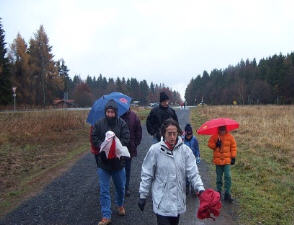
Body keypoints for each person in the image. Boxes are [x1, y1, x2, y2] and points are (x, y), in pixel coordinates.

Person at [138, 118, 205, 225]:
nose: (172, 137)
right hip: (161, 202)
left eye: (175, 133)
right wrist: (143, 195)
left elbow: (193, 172)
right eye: (169, 134)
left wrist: (200, 188)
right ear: (164, 133)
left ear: (178, 133)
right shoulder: (155, 150)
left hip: (178, 202)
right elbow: (147, 174)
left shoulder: (185, 151)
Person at [91, 99, 130, 225]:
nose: (110, 114)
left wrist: (116, 144)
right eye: (108, 112)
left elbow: (126, 137)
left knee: (120, 188)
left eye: (112, 112)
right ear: (105, 112)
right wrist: (103, 145)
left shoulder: (122, 123)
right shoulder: (99, 124)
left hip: (118, 164)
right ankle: (106, 215)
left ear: (116, 112)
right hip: (104, 163)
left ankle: (120, 205)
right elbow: (94, 137)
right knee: (104, 190)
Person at [208, 125, 237, 203]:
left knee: (228, 176)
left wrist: (233, 157)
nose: (222, 131)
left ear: (226, 129)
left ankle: (227, 193)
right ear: (219, 129)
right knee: (219, 177)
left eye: (223, 129)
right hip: (218, 161)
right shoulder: (215, 136)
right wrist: (216, 145)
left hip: (227, 160)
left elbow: (233, 147)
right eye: (221, 129)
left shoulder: (230, 137)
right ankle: (218, 192)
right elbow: (209, 144)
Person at [121, 108, 142, 197]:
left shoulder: (133, 116)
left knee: (127, 168)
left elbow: (138, 131)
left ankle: (126, 187)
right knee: (119, 168)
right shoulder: (116, 115)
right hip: (118, 147)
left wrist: (135, 143)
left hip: (129, 147)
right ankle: (121, 186)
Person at [183, 123, 200, 194]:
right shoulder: (182, 140)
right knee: (186, 175)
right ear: (185, 133)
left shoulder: (194, 139)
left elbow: (197, 149)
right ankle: (187, 187)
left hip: (193, 160)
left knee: (193, 174)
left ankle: (193, 189)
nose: (189, 136)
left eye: (190, 134)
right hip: (185, 160)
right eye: (188, 134)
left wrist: (198, 156)